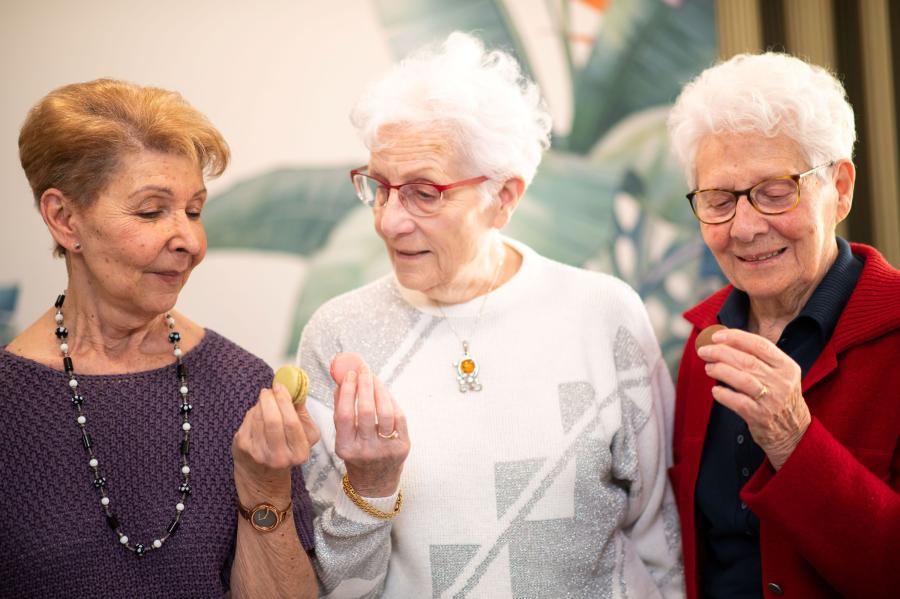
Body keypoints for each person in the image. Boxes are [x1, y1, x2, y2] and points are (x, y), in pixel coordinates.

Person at [297, 32, 684, 598]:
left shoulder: (604, 314)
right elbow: (336, 584)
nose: (388, 221)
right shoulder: (339, 336)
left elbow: (660, 538)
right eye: (379, 187)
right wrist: (371, 490)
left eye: (425, 193)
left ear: (504, 197)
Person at [0, 78, 319, 598]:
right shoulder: (10, 401)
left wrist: (265, 488)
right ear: (64, 219)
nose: (191, 242)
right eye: (151, 211)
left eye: (194, 210)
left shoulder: (243, 387)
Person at [666, 52, 900, 599]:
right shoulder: (703, 345)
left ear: (840, 188)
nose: (745, 228)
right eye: (718, 201)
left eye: (775, 192)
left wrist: (794, 439)